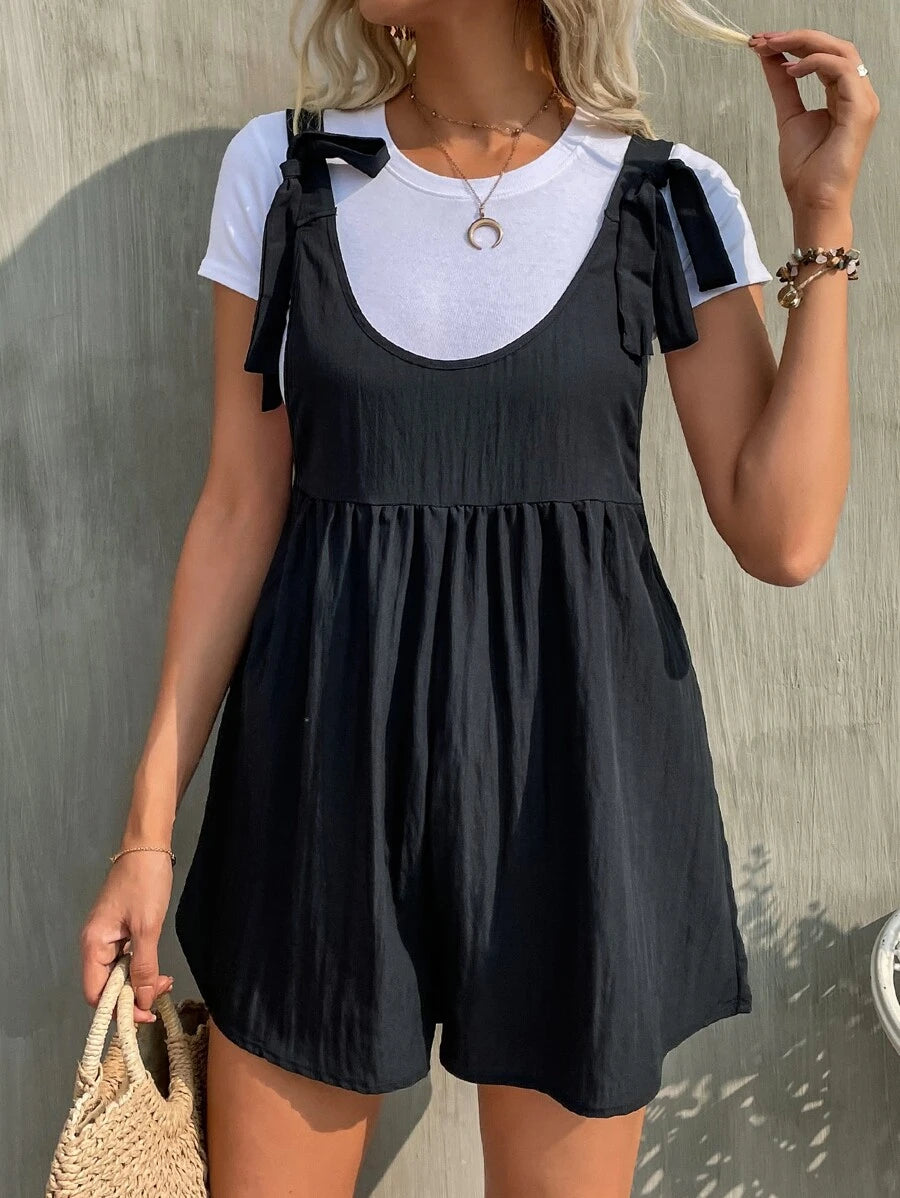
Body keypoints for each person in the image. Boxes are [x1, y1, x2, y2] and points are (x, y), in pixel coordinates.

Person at [79, 1, 879, 1194]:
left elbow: (785, 535)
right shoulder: (287, 172)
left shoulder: (666, 197)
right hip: (321, 780)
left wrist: (823, 218)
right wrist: (147, 833)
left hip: (579, 775)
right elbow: (239, 507)